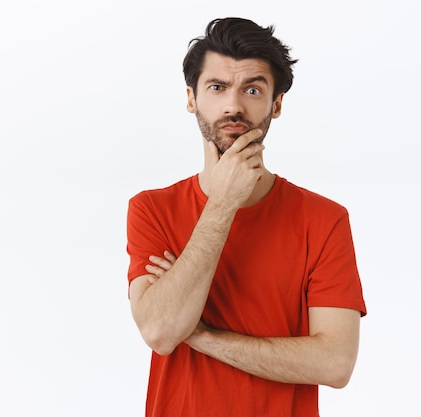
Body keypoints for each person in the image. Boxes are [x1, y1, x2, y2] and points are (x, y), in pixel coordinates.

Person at [125, 17, 367, 417]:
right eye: (217, 87)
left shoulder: (325, 220)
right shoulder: (151, 209)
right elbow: (160, 331)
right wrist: (221, 205)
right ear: (192, 98)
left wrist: (200, 334)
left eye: (252, 89)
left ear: (276, 104)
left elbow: (336, 363)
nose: (233, 105)